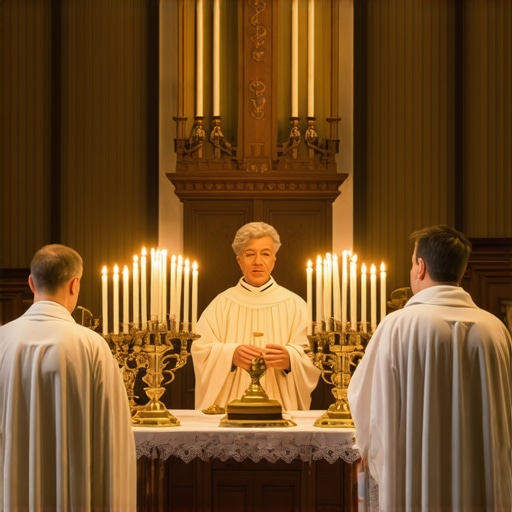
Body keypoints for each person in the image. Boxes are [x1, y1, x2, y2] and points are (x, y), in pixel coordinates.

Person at [347, 225, 512, 511]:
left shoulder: (398, 325)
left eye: (412, 262)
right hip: (481, 477)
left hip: (415, 481)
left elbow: (366, 401)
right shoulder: (495, 328)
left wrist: (369, 452)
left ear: (420, 267)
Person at [0, 244, 137, 512]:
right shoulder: (91, 345)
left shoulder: (3, 339)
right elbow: (113, 435)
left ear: (31, 283)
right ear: (75, 284)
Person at [191, 222, 320, 412]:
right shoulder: (221, 303)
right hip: (229, 409)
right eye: (250, 254)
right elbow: (201, 351)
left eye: (265, 254)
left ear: (274, 260)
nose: (257, 261)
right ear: (239, 260)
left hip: (281, 408)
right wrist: (230, 355)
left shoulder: (296, 304)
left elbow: (314, 356)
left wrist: (291, 359)